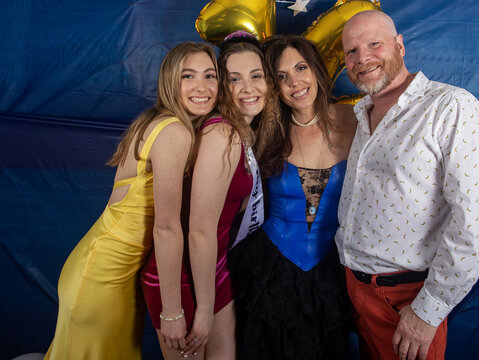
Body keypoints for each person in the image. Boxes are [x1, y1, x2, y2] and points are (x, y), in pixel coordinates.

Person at [44, 42, 218, 360]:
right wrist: (172, 312)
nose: (202, 87)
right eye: (188, 76)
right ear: (169, 82)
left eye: (210, 75)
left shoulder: (159, 121)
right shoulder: (175, 131)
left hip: (107, 273)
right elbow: (165, 228)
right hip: (101, 279)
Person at [337, 10, 479, 360]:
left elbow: (471, 220)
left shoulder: (451, 106)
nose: (362, 58)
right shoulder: (361, 112)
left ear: (400, 45)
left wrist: (429, 310)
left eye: (374, 44)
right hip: (354, 289)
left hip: (406, 297)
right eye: (351, 51)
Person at [140, 30, 279, 360]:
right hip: (181, 277)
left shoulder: (241, 131)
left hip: (212, 270)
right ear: (223, 87)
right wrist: (200, 310)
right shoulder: (221, 133)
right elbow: (200, 231)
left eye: (256, 76)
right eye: (234, 79)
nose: (248, 88)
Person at [229, 35, 357, 360]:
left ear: (316, 70)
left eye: (301, 68)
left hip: (332, 271)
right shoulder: (264, 129)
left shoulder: (355, 120)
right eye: (282, 77)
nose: (295, 82)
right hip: (272, 269)